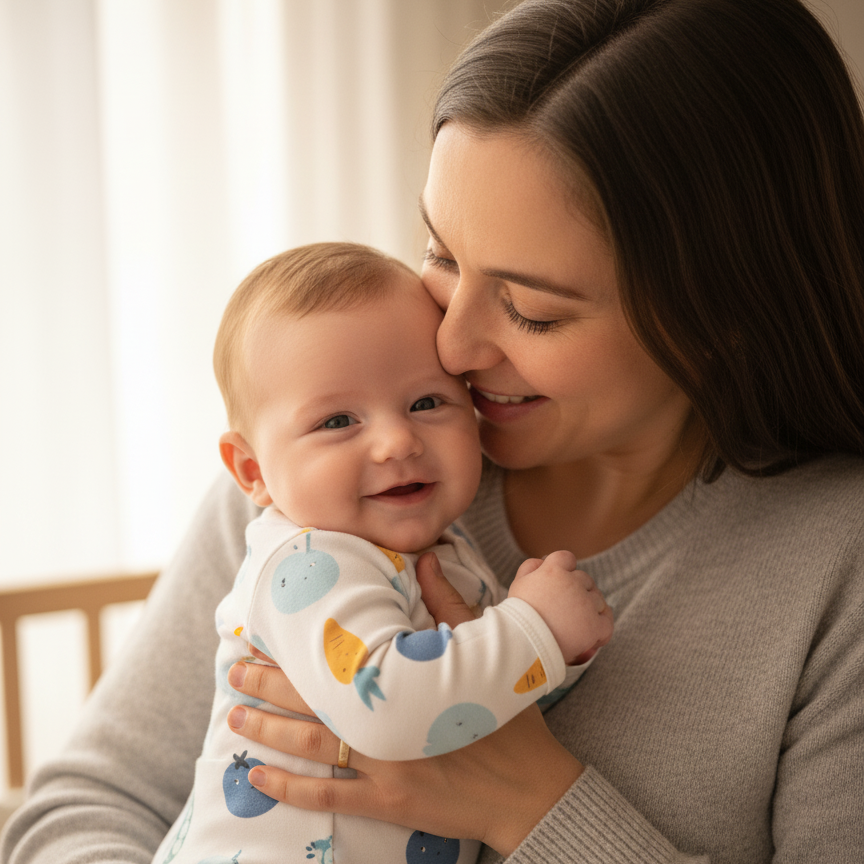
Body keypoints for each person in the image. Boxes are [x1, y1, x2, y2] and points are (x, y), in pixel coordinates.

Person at [3, 0, 864, 862]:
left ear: (724, 316)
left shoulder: (836, 569)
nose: (449, 345)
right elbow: (83, 809)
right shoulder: (322, 481)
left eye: (531, 310)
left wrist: (531, 803)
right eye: (443, 255)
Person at [150, 242, 611, 864]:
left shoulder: (441, 552)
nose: (397, 441)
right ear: (253, 470)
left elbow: (481, 710)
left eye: (426, 403)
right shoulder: (306, 564)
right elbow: (391, 709)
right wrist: (536, 631)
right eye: (338, 421)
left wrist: (562, 654)